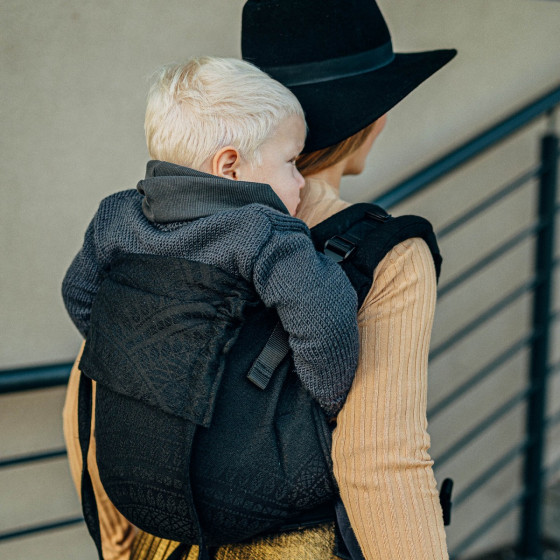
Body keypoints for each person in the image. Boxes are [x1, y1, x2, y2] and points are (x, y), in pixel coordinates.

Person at [63, 0, 457, 558]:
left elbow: (91, 376)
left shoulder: (138, 218)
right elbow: (382, 460)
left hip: (162, 532)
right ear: (372, 118)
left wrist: (123, 549)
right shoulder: (382, 254)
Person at [62, 56, 359, 418]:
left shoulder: (116, 216)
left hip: (142, 437)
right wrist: (319, 406)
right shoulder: (263, 232)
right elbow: (326, 319)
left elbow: (78, 292)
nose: (301, 180)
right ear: (230, 167)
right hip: (242, 440)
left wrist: (134, 365)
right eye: (291, 161)